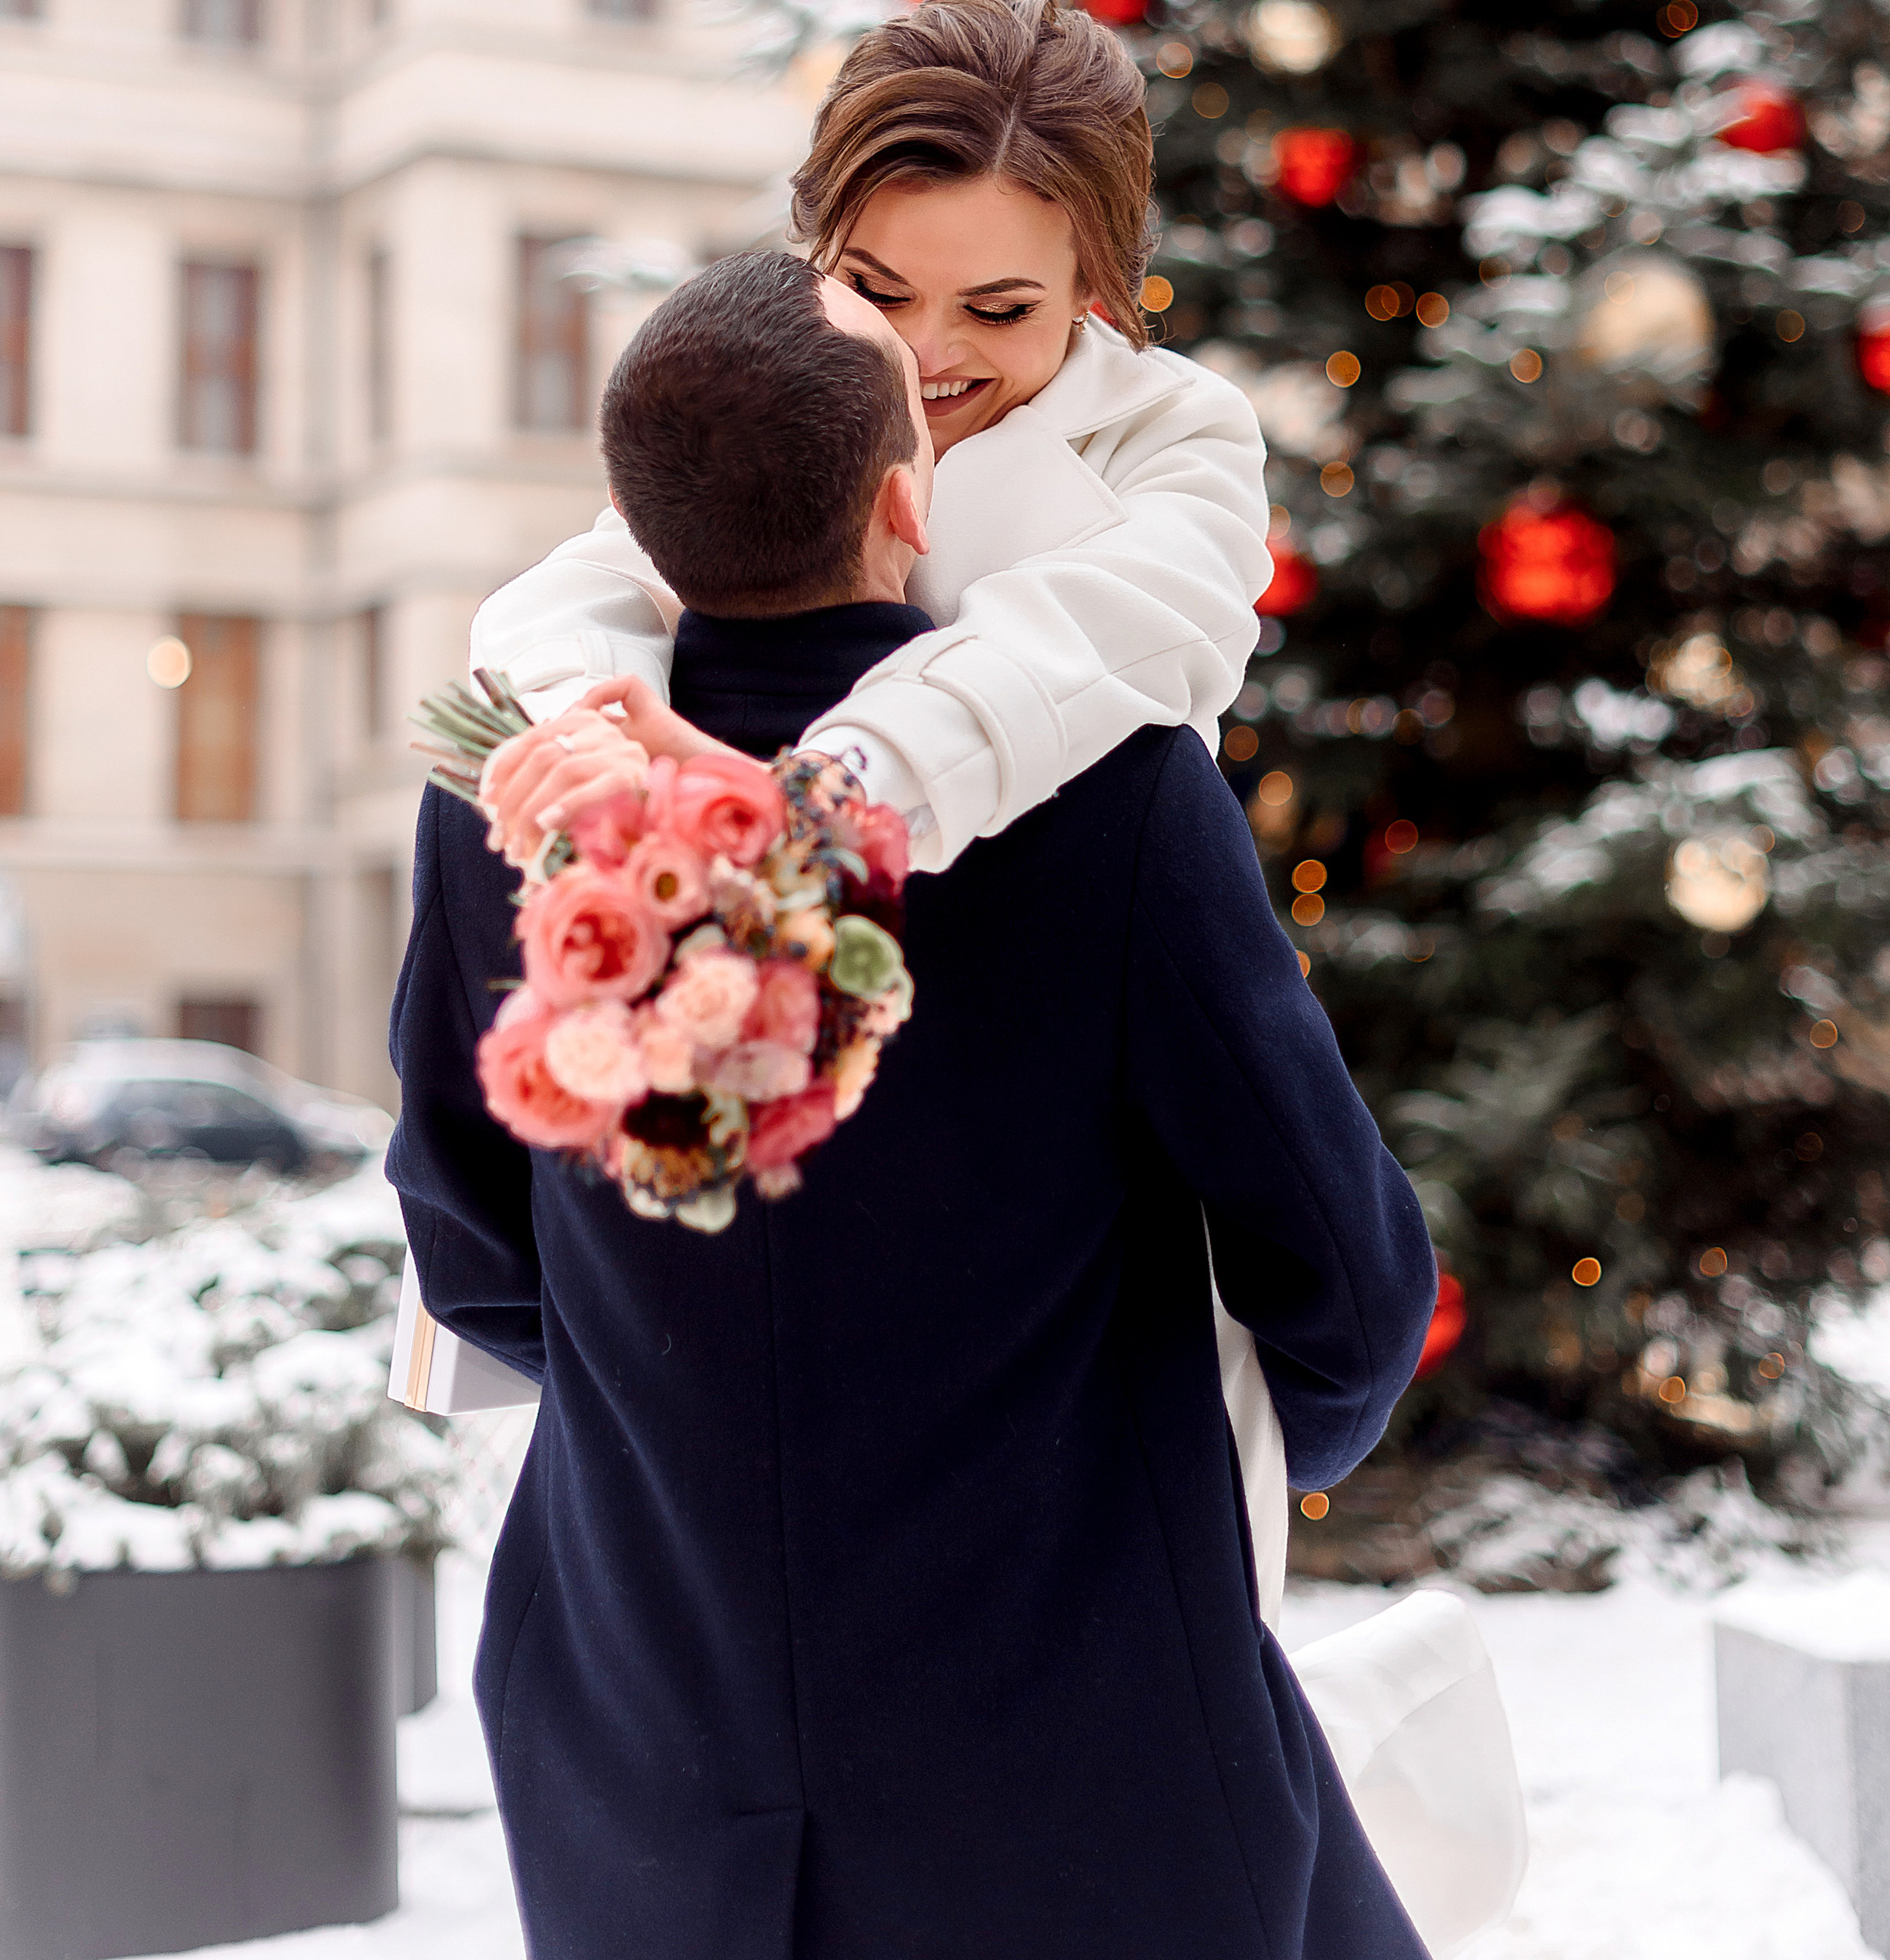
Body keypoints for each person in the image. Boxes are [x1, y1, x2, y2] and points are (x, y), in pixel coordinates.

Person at [388, 247, 1438, 1960]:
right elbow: (1344, 1268)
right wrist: (1217, 1471)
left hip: (643, 1763)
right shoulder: (1112, 796)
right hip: (1091, 1763)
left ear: (635, 520)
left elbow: (466, 1239)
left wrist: (682, 1398)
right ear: (906, 498)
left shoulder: (503, 809)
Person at [470, 0, 1273, 877]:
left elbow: (1081, 642)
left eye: (998, 309)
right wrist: (592, 735)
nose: (920, 353)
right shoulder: (776, 386)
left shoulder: (1176, 437)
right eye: (878, 289)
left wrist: (828, 791)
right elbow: (590, 588)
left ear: (1095, 289)